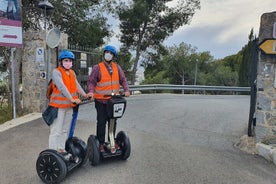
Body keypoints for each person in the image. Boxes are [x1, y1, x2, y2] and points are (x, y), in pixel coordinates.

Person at [87, 45, 130, 152]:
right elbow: (91, 82)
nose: (108, 55)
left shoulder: (117, 67)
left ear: (113, 56)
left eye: (111, 53)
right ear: (104, 54)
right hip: (101, 100)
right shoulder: (97, 67)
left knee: (113, 121)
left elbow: (123, 80)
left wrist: (126, 90)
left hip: (113, 101)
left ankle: (112, 141)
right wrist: (91, 92)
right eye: (107, 52)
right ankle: (101, 143)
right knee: (101, 122)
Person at [48, 50, 89, 161]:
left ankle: (61, 149)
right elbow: (61, 87)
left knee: (65, 129)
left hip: (69, 106)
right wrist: (72, 98)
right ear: (61, 61)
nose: (68, 62)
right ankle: (52, 153)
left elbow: (76, 85)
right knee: (57, 130)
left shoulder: (72, 73)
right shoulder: (57, 72)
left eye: (70, 60)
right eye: (66, 60)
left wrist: (84, 94)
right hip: (58, 106)